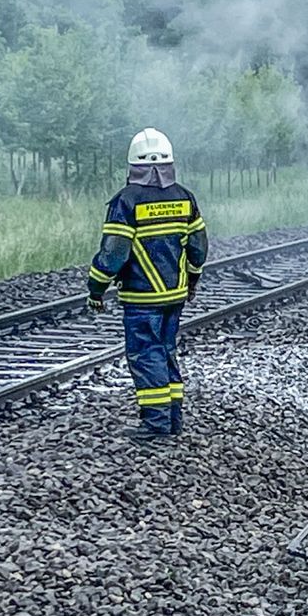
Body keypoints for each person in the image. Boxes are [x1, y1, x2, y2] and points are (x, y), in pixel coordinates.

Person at [87, 128, 208, 439]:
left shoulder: (126, 202)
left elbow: (114, 254)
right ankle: (173, 421)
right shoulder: (184, 197)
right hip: (176, 295)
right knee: (166, 350)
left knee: (146, 354)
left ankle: (155, 427)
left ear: (132, 165)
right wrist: (192, 278)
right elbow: (199, 247)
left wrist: (96, 288)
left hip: (142, 298)